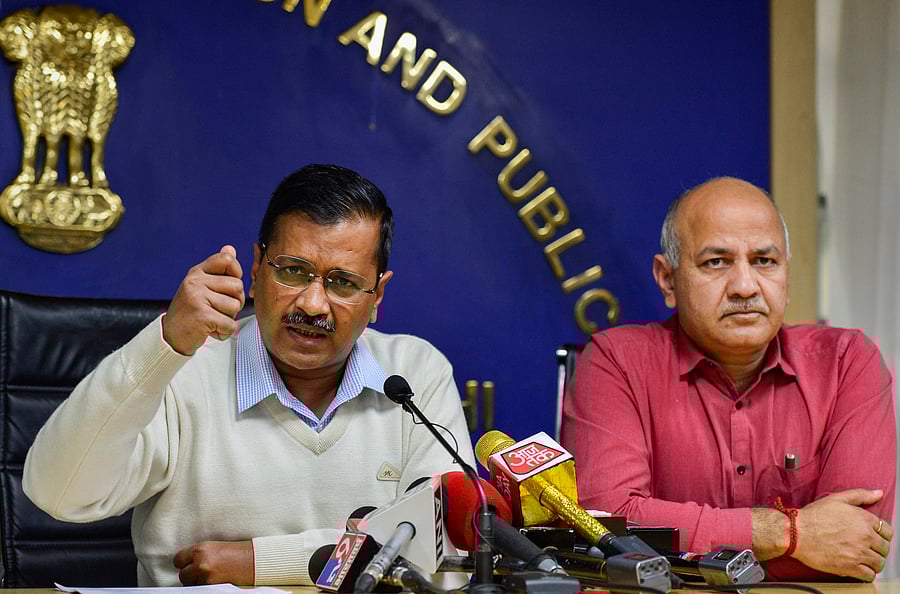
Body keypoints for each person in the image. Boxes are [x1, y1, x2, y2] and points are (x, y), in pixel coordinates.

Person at [23, 163, 476, 586]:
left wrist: (256, 561)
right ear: (258, 268)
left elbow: (442, 558)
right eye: (293, 272)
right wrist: (166, 343)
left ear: (377, 295)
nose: (313, 305)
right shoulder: (183, 369)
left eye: (342, 283)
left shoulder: (416, 374)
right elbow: (59, 493)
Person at [561, 177, 896, 582]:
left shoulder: (847, 362)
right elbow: (606, 530)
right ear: (668, 280)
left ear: (787, 274)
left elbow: (856, 546)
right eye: (716, 262)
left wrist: (685, 543)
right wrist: (790, 533)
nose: (744, 286)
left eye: (764, 261)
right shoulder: (616, 362)